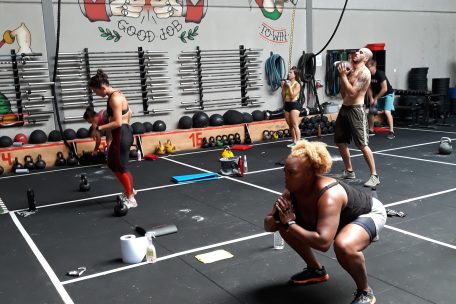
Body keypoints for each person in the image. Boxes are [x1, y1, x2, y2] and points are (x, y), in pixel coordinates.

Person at [264, 140, 386, 304]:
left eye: (291, 173)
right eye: (284, 171)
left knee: (344, 246)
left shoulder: (329, 195)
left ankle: (366, 292)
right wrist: (280, 219)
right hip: (336, 220)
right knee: (285, 227)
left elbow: (323, 242)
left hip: (367, 213)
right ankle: (316, 271)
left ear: (310, 174)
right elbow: (268, 225)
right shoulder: (291, 192)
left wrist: (290, 223)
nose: (286, 177)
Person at [88, 69, 137, 208]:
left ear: (102, 88)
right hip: (121, 133)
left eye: (95, 91)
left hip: (122, 133)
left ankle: (131, 198)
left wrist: (99, 128)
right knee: (112, 163)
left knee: (121, 166)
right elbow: (130, 112)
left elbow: (118, 122)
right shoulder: (116, 95)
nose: (95, 94)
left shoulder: (114, 98)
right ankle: (130, 191)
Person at [336, 48, 379, 188]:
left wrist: (343, 77)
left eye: (361, 52)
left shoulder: (365, 73)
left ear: (366, 59)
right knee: (340, 141)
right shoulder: (352, 71)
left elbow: (353, 93)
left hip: (356, 110)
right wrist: (343, 77)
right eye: (357, 52)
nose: (357, 54)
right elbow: (343, 94)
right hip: (345, 108)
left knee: (362, 144)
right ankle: (349, 171)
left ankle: (374, 176)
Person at [366, 60, 395, 140]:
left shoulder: (380, 74)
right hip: (378, 96)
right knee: (371, 111)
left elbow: (384, 89)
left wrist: (375, 98)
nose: (367, 69)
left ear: (373, 66)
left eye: (368, 67)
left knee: (387, 111)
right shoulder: (368, 75)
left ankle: (391, 132)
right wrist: (371, 98)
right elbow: (369, 88)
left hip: (388, 94)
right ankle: (371, 130)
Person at [282, 66, 302, 148]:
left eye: (291, 73)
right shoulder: (286, 84)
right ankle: (294, 141)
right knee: (290, 125)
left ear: (295, 75)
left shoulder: (297, 84)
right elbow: (283, 97)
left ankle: (298, 142)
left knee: (295, 124)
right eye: (289, 72)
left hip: (294, 105)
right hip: (287, 105)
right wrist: (283, 87)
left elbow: (292, 95)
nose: (288, 74)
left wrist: (290, 86)